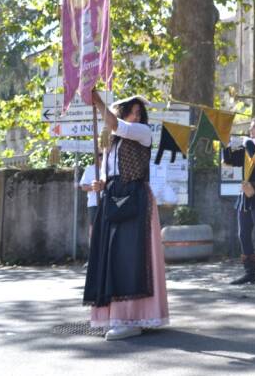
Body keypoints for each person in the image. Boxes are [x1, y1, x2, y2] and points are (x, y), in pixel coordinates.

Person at [83, 91, 168, 340]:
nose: (137, 115)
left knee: (131, 257)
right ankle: (116, 315)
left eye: (140, 112)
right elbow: (109, 171)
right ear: (122, 111)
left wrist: (97, 101)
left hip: (136, 198)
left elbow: (114, 125)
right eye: (132, 110)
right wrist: (101, 183)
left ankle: (132, 318)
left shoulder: (142, 132)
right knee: (110, 256)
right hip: (113, 196)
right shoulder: (112, 142)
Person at [221, 117, 255, 286]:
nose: (251, 131)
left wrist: (247, 143)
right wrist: (226, 142)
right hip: (245, 193)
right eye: (251, 127)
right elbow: (229, 161)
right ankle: (250, 274)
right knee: (243, 234)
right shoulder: (248, 147)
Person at [78, 152, 100, 242]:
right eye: (99, 155)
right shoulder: (90, 169)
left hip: (108, 202)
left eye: (103, 155)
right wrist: (93, 187)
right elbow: (83, 186)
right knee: (94, 227)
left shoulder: (109, 168)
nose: (101, 157)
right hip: (94, 203)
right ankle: (92, 250)